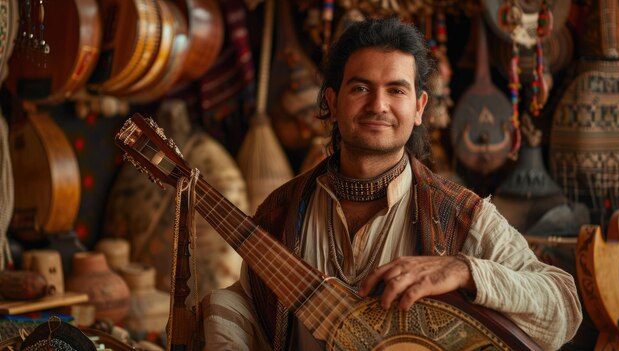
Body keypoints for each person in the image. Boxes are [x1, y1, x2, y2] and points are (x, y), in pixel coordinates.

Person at [202, 17, 582, 351]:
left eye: (396, 90)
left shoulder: (460, 215)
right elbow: (248, 306)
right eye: (360, 88)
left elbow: (564, 307)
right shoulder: (282, 211)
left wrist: (465, 271)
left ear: (418, 108)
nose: (378, 105)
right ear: (332, 103)